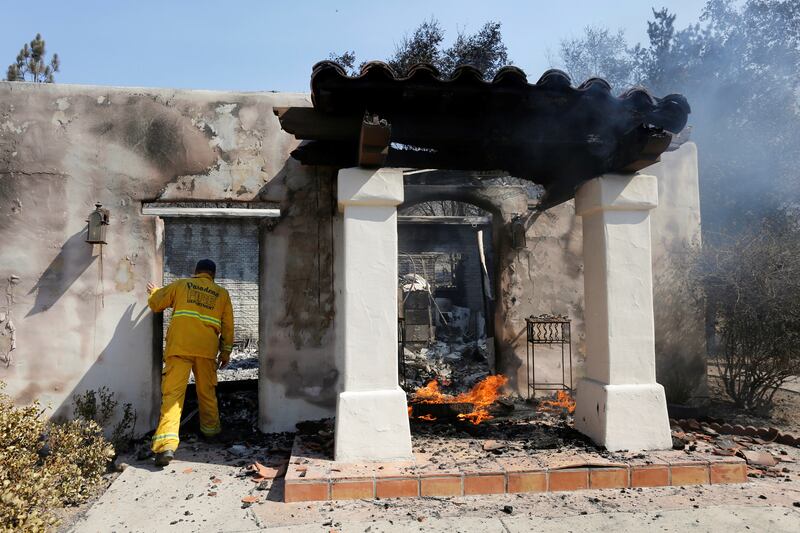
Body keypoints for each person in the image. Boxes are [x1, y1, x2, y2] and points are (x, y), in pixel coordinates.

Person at [146, 259, 234, 467]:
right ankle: (211, 432)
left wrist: (153, 292)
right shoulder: (221, 294)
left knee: (173, 396)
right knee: (207, 392)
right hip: (206, 350)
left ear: (195, 272)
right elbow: (228, 325)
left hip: (180, 348)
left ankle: (166, 446)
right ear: (213, 275)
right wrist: (226, 353)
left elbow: (157, 304)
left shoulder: (181, 285)